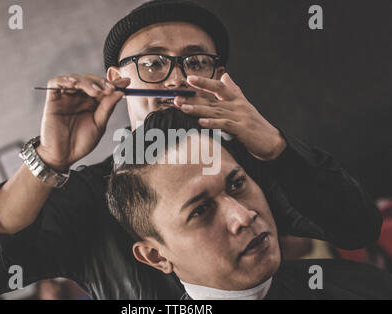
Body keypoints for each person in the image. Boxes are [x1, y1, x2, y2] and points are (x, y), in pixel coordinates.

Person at [0, 0, 381, 299]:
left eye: (196, 62)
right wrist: (47, 159)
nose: (177, 80)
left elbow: (356, 227)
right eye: (154, 63)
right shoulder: (84, 198)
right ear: (116, 78)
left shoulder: (247, 168)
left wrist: (276, 147)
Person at [106, 108, 392, 300]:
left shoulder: (362, 285)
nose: (243, 216)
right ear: (156, 256)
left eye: (237, 184)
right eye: (201, 210)